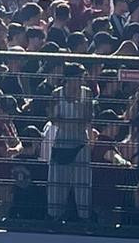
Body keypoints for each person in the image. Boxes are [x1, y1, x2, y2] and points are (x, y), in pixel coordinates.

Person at [47, 63, 93, 221]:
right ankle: (54, 217)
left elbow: (87, 118)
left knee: (83, 185)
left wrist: (77, 105)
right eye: (78, 78)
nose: (80, 81)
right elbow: (53, 118)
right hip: (61, 143)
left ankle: (84, 218)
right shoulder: (56, 94)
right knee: (57, 184)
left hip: (80, 143)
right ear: (68, 79)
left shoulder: (87, 94)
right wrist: (69, 124)